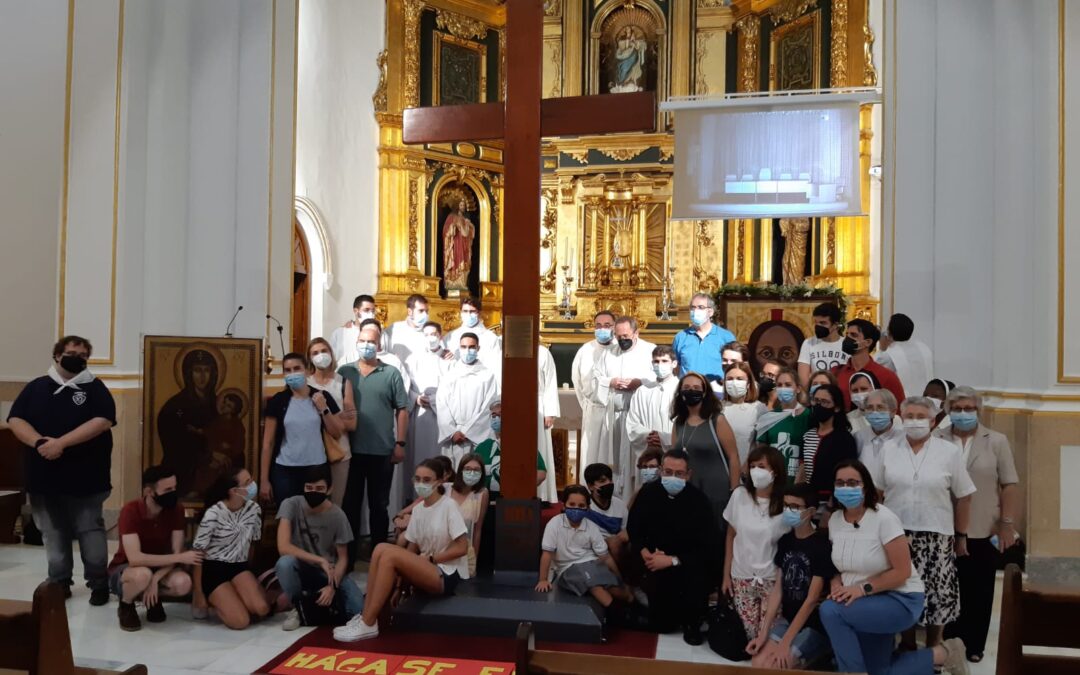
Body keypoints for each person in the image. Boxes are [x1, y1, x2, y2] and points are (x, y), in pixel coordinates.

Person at [820, 460, 969, 675]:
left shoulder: (883, 518)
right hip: (862, 603)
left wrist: (861, 589)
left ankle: (852, 673)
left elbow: (902, 572)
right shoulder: (834, 520)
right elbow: (841, 564)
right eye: (840, 483)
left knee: (830, 611)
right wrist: (836, 583)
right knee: (880, 671)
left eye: (853, 482)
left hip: (898, 599)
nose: (846, 488)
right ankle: (944, 655)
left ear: (865, 486)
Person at [7, 335, 116, 605]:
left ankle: (98, 582)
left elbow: (102, 421)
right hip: (44, 477)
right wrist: (39, 442)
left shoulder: (95, 388)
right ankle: (59, 581)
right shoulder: (36, 387)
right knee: (52, 532)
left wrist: (61, 444)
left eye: (82, 355)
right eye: (71, 352)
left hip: (86, 477)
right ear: (57, 356)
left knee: (89, 529)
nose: (76, 358)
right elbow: (15, 419)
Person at [866, 396, 976, 652]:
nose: (915, 421)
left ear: (933, 420)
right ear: (901, 419)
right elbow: (877, 494)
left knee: (937, 593)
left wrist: (961, 536)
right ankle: (905, 645)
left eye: (920, 416)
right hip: (896, 535)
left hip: (936, 535)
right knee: (902, 591)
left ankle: (934, 648)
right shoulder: (889, 449)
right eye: (909, 416)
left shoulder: (948, 452)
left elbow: (964, 496)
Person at [333, 458, 471, 642]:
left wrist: (431, 559)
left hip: (447, 572)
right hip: (426, 568)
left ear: (439, 481)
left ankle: (368, 622)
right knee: (381, 548)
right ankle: (366, 616)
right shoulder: (420, 509)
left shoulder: (448, 506)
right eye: (418, 479)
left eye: (427, 480)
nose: (421, 484)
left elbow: (462, 547)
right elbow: (410, 551)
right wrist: (400, 586)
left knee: (389, 553)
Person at [938, 386, 1020, 664]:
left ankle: (974, 643)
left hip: (983, 525)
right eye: (957, 409)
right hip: (944, 525)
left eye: (968, 409)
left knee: (980, 588)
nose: (963, 414)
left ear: (978, 410)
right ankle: (950, 640)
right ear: (949, 411)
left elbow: (1008, 484)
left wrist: (1006, 523)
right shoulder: (937, 438)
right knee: (948, 586)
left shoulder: (996, 440)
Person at [627, 449, 722, 644]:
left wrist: (672, 560)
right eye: (668, 472)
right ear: (661, 471)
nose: (673, 477)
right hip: (653, 561)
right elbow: (633, 528)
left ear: (688, 475)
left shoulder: (699, 502)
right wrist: (645, 552)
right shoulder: (648, 493)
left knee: (697, 574)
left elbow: (706, 546)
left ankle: (693, 622)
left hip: (686, 564)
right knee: (662, 626)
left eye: (679, 474)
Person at [338, 321, 410, 554]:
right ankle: (349, 552)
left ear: (379, 345)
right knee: (350, 504)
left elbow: (402, 409)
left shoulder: (391, 373)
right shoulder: (345, 372)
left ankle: (379, 551)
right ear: (356, 343)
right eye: (363, 341)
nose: (367, 345)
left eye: (371, 342)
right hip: (350, 450)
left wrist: (400, 443)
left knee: (379, 505)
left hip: (382, 450)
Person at [746, 484, 834, 670]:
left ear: (810, 511)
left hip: (813, 625)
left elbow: (811, 600)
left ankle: (819, 656)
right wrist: (763, 634)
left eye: (794, 507)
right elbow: (778, 591)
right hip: (788, 620)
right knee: (758, 662)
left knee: (776, 664)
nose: (788, 510)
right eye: (785, 505)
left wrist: (785, 643)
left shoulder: (822, 546)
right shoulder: (785, 541)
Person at [108, 466, 200, 632]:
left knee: (183, 583)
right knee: (143, 574)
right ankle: (126, 605)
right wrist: (178, 558)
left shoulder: (177, 509)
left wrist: (156, 579)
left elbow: (176, 551)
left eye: (175, 487)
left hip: (160, 568)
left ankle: (152, 598)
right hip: (128, 568)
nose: (173, 493)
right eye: (168, 489)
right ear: (149, 492)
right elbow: (136, 558)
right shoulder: (130, 511)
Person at [274, 464, 362, 631]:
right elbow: (283, 547)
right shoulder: (291, 504)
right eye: (309, 487)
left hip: (328, 571)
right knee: (284, 563)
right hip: (299, 566)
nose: (314, 492)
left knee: (357, 610)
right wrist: (319, 559)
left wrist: (332, 586)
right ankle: (298, 607)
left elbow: (343, 559)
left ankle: (317, 599)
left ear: (329, 489)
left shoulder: (337, 515)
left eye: (319, 488)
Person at [260, 353, 343, 506]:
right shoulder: (278, 400)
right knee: (287, 516)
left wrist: (324, 409)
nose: (293, 373)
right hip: (285, 470)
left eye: (297, 368)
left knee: (316, 516)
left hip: (316, 468)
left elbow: (337, 433)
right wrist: (264, 480)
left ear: (307, 370)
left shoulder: (322, 396)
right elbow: (268, 443)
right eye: (288, 370)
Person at [723, 446, 789, 641]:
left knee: (767, 638)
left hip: (772, 580)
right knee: (747, 637)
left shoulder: (786, 504)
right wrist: (725, 575)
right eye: (752, 466)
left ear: (774, 471)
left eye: (761, 466)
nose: (755, 471)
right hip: (741, 576)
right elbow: (730, 536)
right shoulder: (739, 496)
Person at [191, 467, 269, 629]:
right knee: (241, 622)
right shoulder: (214, 514)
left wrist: (249, 575)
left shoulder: (254, 510)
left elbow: (253, 543)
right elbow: (198, 554)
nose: (252, 485)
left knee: (261, 609)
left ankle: (235, 593)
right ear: (234, 491)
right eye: (247, 483)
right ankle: (214, 598)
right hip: (214, 569)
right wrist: (198, 592)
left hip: (238, 566)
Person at [537, 485, 631, 610]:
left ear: (587, 508)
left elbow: (605, 557)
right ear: (564, 505)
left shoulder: (591, 527)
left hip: (592, 563)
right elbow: (547, 554)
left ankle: (633, 604)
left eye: (581, 506)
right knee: (594, 586)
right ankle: (618, 613)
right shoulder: (554, 524)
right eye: (572, 504)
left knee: (614, 587)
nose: (576, 508)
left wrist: (619, 578)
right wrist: (542, 579)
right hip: (568, 568)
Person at [671, 372, 741, 536]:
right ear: (680, 393)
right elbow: (674, 456)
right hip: (688, 492)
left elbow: (733, 457)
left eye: (696, 388)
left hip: (717, 494)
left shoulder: (717, 420)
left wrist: (734, 491)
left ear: (704, 393)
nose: (691, 391)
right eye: (686, 388)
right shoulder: (678, 423)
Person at [595, 316, 657, 497]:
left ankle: (636, 495)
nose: (622, 340)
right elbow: (597, 376)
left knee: (634, 460)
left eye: (626, 336)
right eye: (618, 336)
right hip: (615, 415)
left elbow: (658, 379)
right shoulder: (609, 352)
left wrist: (639, 382)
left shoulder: (650, 351)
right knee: (615, 460)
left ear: (636, 333)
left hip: (639, 417)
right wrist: (611, 381)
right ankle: (616, 497)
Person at [403, 321, 452, 492]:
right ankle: (418, 494)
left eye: (434, 334)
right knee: (420, 455)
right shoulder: (412, 359)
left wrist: (437, 400)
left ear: (440, 336)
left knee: (440, 456)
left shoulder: (449, 360)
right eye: (427, 335)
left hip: (442, 417)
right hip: (420, 415)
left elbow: (453, 388)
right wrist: (416, 399)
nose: (430, 338)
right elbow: (406, 386)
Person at [307, 338, 357, 506]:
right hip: (311, 451)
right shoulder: (306, 383)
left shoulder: (343, 382)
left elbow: (352, 424)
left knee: (336, 503)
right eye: (315, 353)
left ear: (331, 353)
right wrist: (337, 417)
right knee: (313, 501)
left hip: (339, 451)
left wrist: (327, 417)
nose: (320, 355)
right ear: (309, 358)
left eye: (324, 351)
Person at [624, 345, 679, 495]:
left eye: (664, 361)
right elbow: (632, 422)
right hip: (647, 450)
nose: (659, 365)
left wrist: (664, 438)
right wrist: (648, 436)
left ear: (674, 364)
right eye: (656, 361)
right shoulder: (643, 391)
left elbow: (685, 425)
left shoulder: (681, 390)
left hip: (671, 451)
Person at [437, 332, 499, 464]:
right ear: (459, 348)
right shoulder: (450, 375)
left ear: (478, 348)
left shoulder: (487, 375)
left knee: (476, 473)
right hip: (453, 437)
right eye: (464, 347)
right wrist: (452, 432)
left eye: (471, 347)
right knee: (452, 476)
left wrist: (468, 432)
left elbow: (489, 407)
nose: (467, 350)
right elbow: (442, 405)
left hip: (476, 437)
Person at [473, 399, 548, 497]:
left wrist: (520, 489)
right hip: (487, 500)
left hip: (515, 501)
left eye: (501, 414)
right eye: (494, 415)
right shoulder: (482, 447)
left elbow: (541, 473)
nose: (497, 418)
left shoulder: (524, 446)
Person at [801, 383, 858, 506]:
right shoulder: (808, 435)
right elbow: (802, 469)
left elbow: (846, 472)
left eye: (825, 402)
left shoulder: (844, 439)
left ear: (836, 407)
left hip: (831, 501)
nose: (819, 405)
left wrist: (832, 504)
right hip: (808, 498)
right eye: (816, 401)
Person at [572, 310, 616, 467]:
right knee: (590, 454)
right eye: (598, 325)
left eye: (607, 325)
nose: (602, 329)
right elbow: (577, 381)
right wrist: (586, 405)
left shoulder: (620, 349)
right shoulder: (585, 350)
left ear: (614, 327)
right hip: (592, 410)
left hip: (614, 412)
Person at [832, 319, 905, 409]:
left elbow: (898, 410)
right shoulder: (835, 373)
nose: (847, 339)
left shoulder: (887, 376)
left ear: (868, 342)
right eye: (847, 334)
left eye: (853, 335)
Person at [755, 366, 810, 480]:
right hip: (773, 481)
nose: (783, 388)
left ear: (798, 388)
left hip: (799, 482)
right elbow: (761, 453)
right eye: (779, 385)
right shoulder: (768, 418)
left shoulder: (809, 416)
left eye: (788, 385)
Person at [670, 293, 736, 387]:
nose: (695, 311)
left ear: (710, 312)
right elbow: (675, 367)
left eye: (700, 307)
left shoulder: (726, 337)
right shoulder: (681, 337)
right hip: (689, 390)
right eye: (693, 307)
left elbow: (735, 366)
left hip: (717, 391)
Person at [875, 313, 934, 400]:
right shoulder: (923, 347)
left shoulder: (889, 355)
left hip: (904, 400)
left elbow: (874, 369)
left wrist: (882, 348)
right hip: (926, 398)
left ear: (889, 333)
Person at [442, 296, 503, 381]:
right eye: (465, 311)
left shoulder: (491, 339)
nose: (468, 314)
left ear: (479, 313)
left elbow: (496, 368)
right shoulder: (450, 337)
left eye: (472, 311)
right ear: (461, 312)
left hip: (482, 384)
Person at [449, 453, 489, 577]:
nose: (472, 473)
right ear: (460, 470)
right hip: (441, 547)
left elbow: (477, 529)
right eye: (468, 469)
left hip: (464, 551)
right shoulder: (446, 489)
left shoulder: (482, 493)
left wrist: (473, 562)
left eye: (476, 470)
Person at [583, 463, 629, 562]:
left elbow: (626, 531)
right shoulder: (584, 507)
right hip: (591, 549)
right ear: (591, 486)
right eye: (602, 481)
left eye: (610, 479)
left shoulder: (620, 505)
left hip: (617, 548)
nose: (609, 483)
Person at [722, 362, 766, 464]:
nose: (734, 382)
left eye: (739, 379)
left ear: (748, 384)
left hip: (745, 470)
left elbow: (762, 445)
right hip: (719, 469)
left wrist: (747, 466)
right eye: (730, 379)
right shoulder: (716, 408)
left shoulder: (759, 409)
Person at [797, 303, 849, 387]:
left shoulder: (846, 344)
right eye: (816, 322)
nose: (818, 326)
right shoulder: (808, 343)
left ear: (835, 325)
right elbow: (803, 378)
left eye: (823, 323)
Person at [537, 344, 561, 502]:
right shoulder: (502, 350)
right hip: (509, 403)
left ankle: (542, 494)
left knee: (540, 447)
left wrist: (550, 412)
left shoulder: (542, 352)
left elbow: (550, 381)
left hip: (537, 405)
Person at [855, 389, 904, 466]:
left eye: (880, 407)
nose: (875, 412)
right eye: (870, 408)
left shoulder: (903, 438)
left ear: (893, 412)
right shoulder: (859, 437)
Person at [330, 294, 377, 367]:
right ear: (356, 311)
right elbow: (332, 359)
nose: (371, 314)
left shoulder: (381, 334)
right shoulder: (339, 333)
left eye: (373, 311)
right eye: (366, 310)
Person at [386, 294, 435, 362]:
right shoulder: (394, 329)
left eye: (426, 311)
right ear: (410, 311)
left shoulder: (432, 331)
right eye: (421, 311)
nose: (425, 315)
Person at [846, 370, 880, 435]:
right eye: (855, 390)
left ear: (874, 388)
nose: (859, 393)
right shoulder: (847, 420)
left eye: (864, 389)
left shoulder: (889, 417)